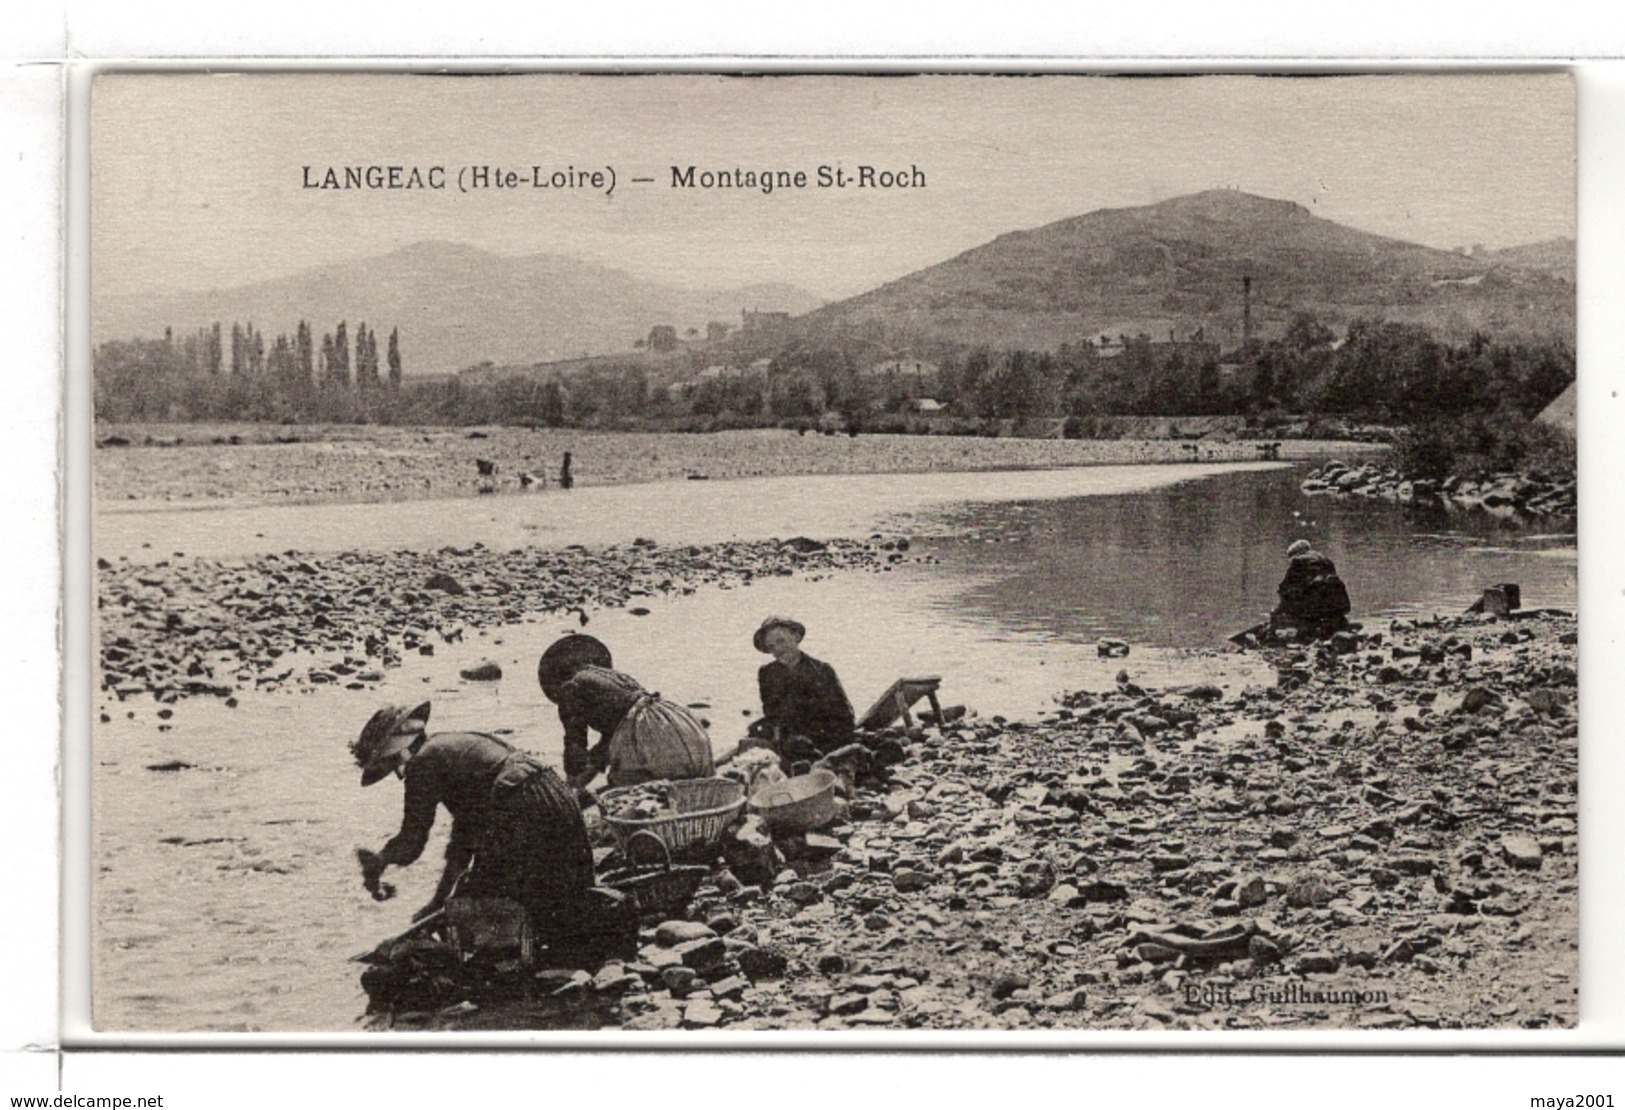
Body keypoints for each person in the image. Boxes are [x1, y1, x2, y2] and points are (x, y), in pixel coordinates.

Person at [350, 701, 597, 944]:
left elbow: (412, 842)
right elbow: (464, 840)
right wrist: (439, 900)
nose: (396, 773)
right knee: (565, 895)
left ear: (397, 749)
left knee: (479, 903)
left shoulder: (423, 764)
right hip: (555, 794)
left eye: (390, 765)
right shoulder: (449, 748)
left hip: (523, 803)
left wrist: (380, 860)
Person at [537, 634, 714, 789]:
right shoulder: (612, 680)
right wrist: (588, 772)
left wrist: (571, 781)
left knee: (629, 789)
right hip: (675, 723)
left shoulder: (571, 688)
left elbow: (575, 743)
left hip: (649, 734)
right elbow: (608, 743)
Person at [754, 616, 855, 759]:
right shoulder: (767, 673)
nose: (778, 650)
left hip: (826, 740)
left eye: (781, 641)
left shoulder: (822, 670)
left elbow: (845, 716)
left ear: (795, 636)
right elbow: (771, 713)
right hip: (789, 743)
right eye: (771, 647)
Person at [1270, 539, 1352, 639]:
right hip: (1339, 603)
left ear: (1294, 554)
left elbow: (1285, 588)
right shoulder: (1326, 560)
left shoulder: (1298, 561)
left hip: (1316, 606)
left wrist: (1278, 610)